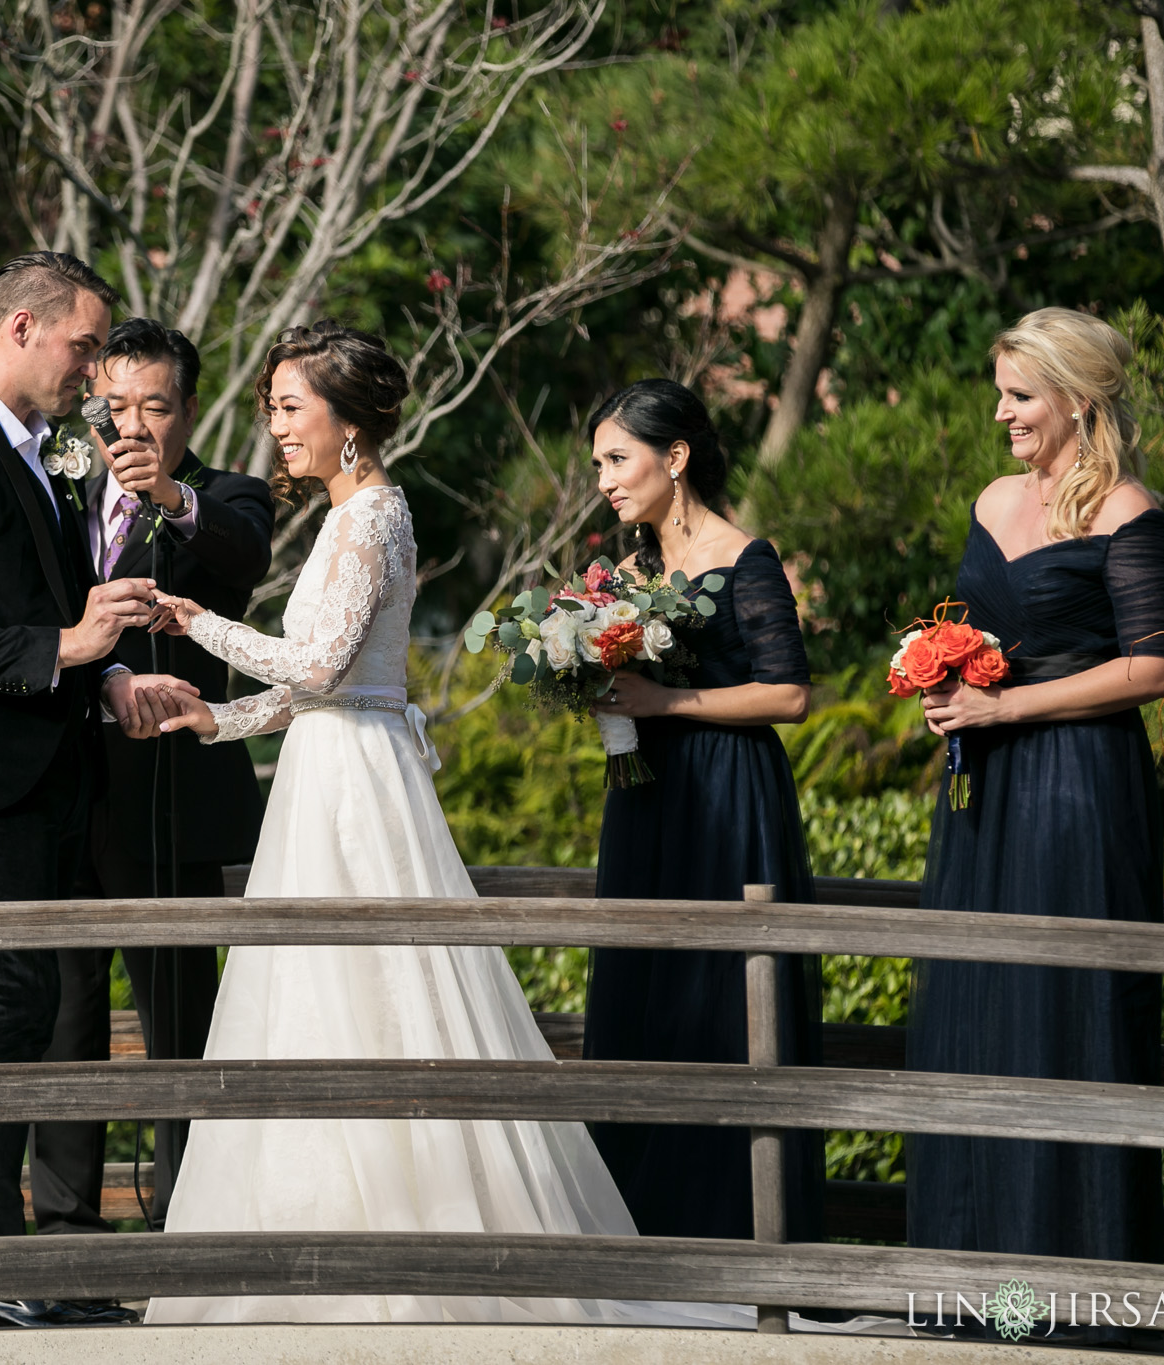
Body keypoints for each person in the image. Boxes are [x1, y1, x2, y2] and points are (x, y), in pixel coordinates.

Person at [134, 324, 747, 1327]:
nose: (276, 428)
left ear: (347, 421)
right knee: (309, 1004)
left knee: (381, 996)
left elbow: (324, 666)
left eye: (291, 408)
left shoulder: (372, 513)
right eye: (273, 409)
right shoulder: (347, 513)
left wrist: (192, 621)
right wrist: (217, 720)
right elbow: (332, 686)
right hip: (328, 766)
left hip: (354, 789)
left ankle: (415, 1244)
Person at [0, 253, 193, 1330]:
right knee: (7, 1002)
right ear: (21, 328)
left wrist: (107, 674)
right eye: (84, 345)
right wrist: (68, 643)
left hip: (48, 768)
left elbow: (61, 614)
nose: (96, 369)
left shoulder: (44, 453)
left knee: (0, 1005)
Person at [907, 309, 1164, 1296]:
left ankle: (1076, 1291)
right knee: (980, 1010)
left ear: (1074, 397)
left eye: (1018, 395)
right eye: (1000, 392)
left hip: (1075, 786)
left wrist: (1005, 701)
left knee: (1061, 1014)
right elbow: (975, 629)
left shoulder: (1124, 511)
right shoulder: (988, 500)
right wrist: (942, 678)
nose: (1000, 413)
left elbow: (1152, 665)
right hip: (983, 789)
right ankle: (970, 1287)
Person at [31, 318, 273, 1237]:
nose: (131, 427)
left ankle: (190, 1222)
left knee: (183, 1023)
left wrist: (170, 495)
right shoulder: (59, 491)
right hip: (60, 794)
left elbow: (241, 552)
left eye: (155, 407)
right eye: (116, 404)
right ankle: (63, 1227)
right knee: (63, 1015)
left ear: (189, 410)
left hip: (169, 800)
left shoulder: (226, 496)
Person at [580, 379, 826, 1245]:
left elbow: (790, 694)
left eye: (619, 458)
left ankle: (737, 1229)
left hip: (728, 797)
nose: (606, 479)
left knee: (726, 999)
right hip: (647, 798)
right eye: (600, 464)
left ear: (674, 457)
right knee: (647, 993)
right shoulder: (634, 572)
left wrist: (664, 705)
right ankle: (640, 1227)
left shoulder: (744, 557)